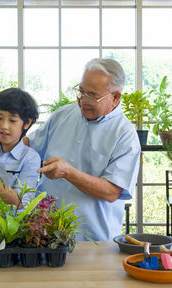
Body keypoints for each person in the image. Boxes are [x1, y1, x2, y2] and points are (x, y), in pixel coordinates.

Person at [26, 58, 141, 241]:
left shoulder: (125, 136)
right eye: (81, 91)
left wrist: (68, 173)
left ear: (116, 97)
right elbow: (27, 147)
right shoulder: (63, 115)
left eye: (93, 96)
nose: (83, 100)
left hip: (92, 241)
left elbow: (111, 192)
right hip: (44, 234)